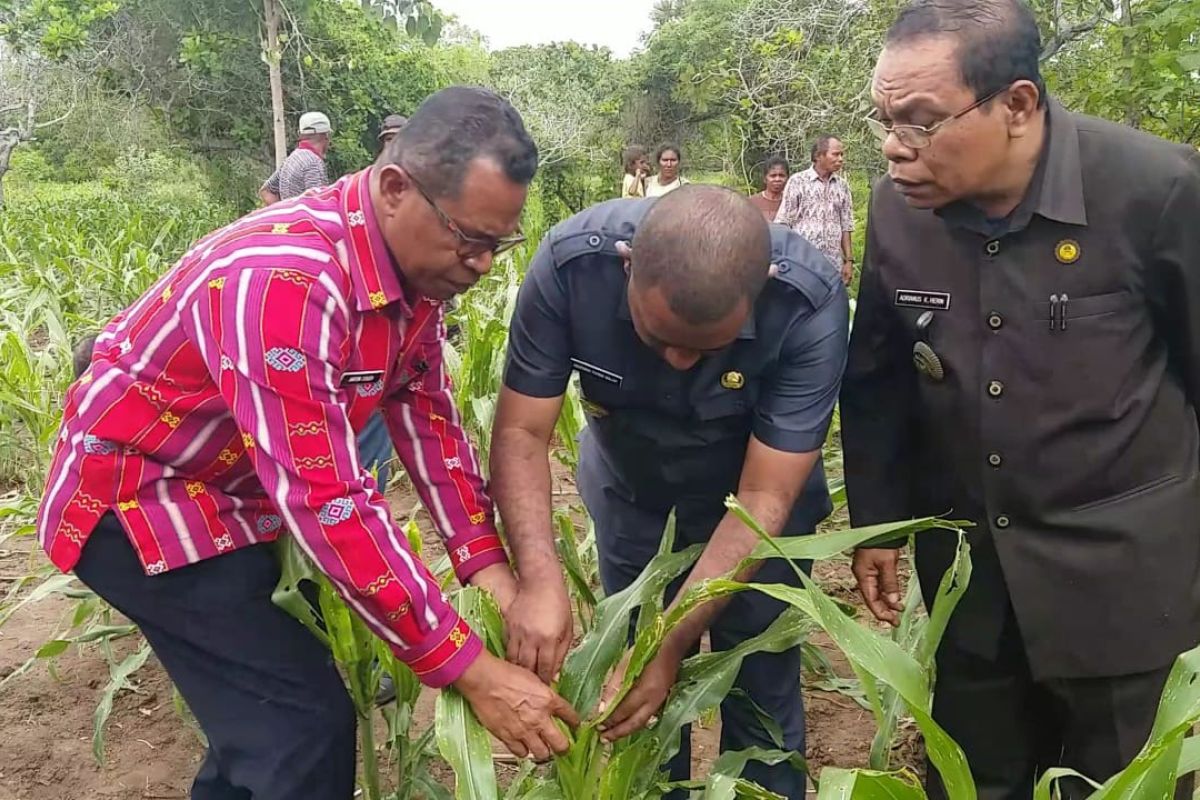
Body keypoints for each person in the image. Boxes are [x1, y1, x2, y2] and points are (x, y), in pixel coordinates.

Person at [38, 87, 579, 800]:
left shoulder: (414, 274)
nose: (481, 265)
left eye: (497, 243)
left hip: (232, 497)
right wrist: (472, 670)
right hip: (141, 501)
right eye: (469, 238)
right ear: (394, 187)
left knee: (266, 725)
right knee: (301, 728)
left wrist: (493, 574)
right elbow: (327, 501)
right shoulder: (284, 281)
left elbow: (429, 422)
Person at [841, 1, 1200, 798]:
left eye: (923, 122)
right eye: (884, 120)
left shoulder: (1158, 191)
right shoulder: (900, 213)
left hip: (1126, 590)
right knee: (974, 781)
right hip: (973, 586)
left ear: (1018, 105)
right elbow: (878, 381)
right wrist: (878, 525)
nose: (896, 148)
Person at [491, 185, 849, 799]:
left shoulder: (807, 302)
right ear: (627, 263)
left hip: (756, 515)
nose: (680, 361)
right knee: (630, 699)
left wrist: (673, 638)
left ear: (759, 289)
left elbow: (764, 498)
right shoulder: (572, 266)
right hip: (634, 498)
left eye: (706, 347)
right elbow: (522, 430)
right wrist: (540, 577)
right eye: (656, 339)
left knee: (756, 673)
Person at [774, 136, 855, 286]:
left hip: (832, 266)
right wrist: (783, 260)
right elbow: (783, 223)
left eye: (842, 155)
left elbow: (846, 225)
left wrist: (849, 261)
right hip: (802, 263)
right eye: (835, 154)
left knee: (832, 306)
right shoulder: (798, 181)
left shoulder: (842, 186)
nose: (841, 159)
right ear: (819, 156)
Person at [258, 111, 333, 205]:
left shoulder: (292, 159)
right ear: (325, 136)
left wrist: (286, 214)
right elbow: (318, 205)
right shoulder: (313, 164)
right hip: (306, 219)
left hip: (291, 219)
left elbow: (267, 192)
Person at [749, 156, 789, 222]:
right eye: (773, 176)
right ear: (765, 178)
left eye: (781, 175)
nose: (777, 179)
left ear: (787, 178)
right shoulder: (752, 202)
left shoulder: (791, 202)